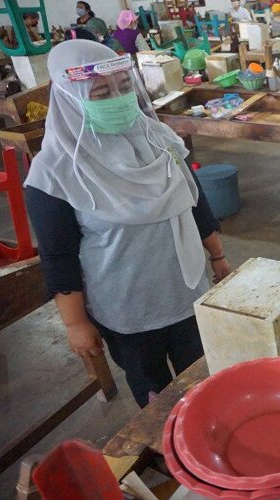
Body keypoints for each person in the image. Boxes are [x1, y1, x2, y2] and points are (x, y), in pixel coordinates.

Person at [24, 40, 232, 408]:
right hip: (127, 311)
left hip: (187, 291)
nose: (119, 100)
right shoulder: (55, 173)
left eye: (124, 87)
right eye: (102, 92)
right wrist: (75, 324)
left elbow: (196, 202)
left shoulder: (159, 139)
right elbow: (59, 258)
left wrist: (217, 257)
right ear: (70, 99)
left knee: (202, 378)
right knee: (155, 394)